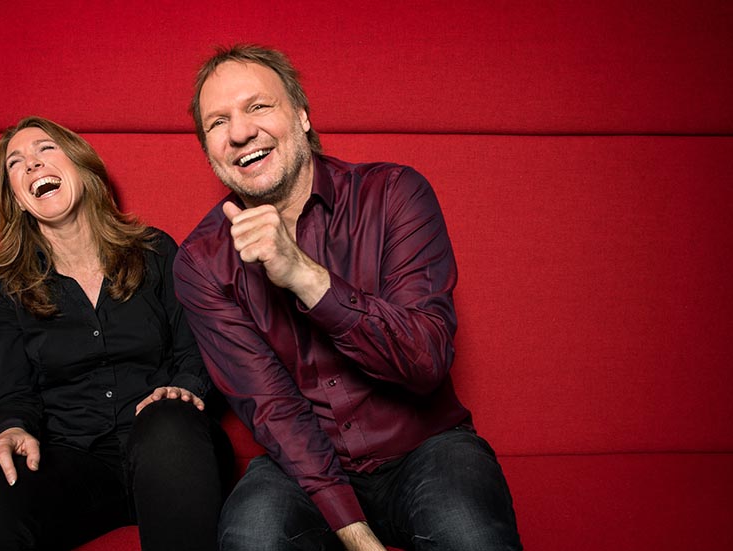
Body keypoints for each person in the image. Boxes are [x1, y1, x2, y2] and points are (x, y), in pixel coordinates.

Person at [173, 45, 523, 551]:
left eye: (258, 107)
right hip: (301, 467)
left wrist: (305, 277)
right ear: (208, 148)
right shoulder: (201, 261)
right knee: (252, 537)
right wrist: (356, 535)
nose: (241, 132)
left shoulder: (395, 193)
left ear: (302, 115)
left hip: (427, 448)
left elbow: (425, 361)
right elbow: (272, 407)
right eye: (218, 122)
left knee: (469, 534)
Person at [0, 116, 233, 551]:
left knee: (168, 422)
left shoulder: (154, 251)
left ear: (82, 167)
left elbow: (196, 353)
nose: (32, 164)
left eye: (45, 149)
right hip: (74, 461)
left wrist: (183, 390)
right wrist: (9, 429)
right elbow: (12, 391)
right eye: (16, 163)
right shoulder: (1, 286)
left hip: (170, 449)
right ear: (16, 199)